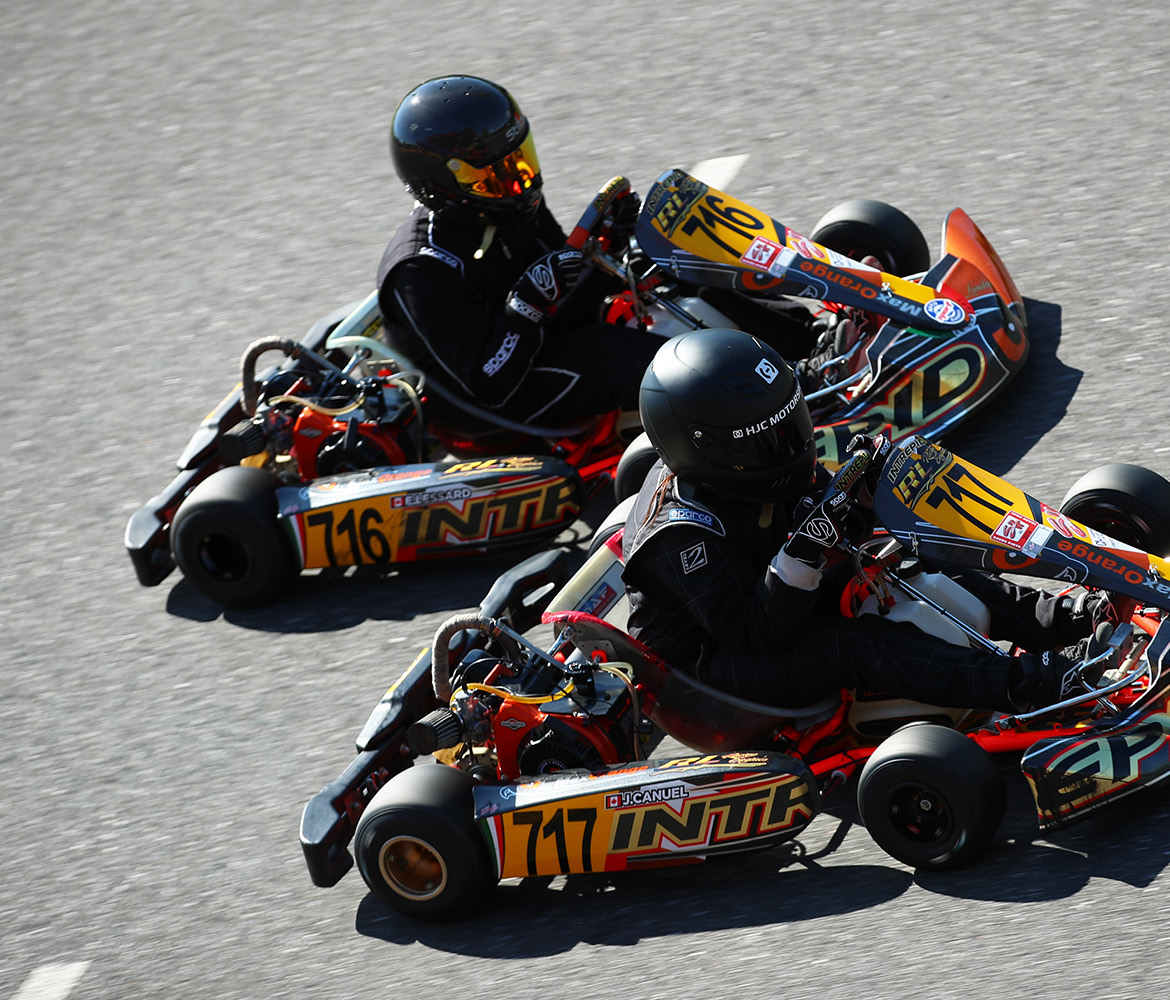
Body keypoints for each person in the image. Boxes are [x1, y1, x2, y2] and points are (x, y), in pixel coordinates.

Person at [619, 328, 1121, 713]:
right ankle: (1032, 686)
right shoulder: (680, 533)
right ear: (707, 450)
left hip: (772, 595)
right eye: (766, 442)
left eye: (791, 426)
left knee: (900, 553)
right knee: (850, 644)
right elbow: (756, 635)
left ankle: (1062, 618)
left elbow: (833, 525)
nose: (791, 449)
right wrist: (808, 547)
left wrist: (863, 494)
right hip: (710, 671)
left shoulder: (747, 474)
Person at [377, 75, 664, 429]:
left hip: (537, 343)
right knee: (616, 354)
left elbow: (566, 291)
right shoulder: (421, 270)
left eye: (519, 160)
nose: (518, 181)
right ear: (441, 185)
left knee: (661, 267)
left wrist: (613, 242)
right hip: (489, 408)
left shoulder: (510, 205)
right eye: (493, 175)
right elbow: (488, 383)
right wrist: (526, 306)